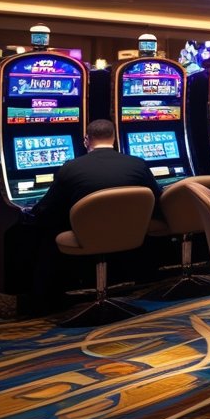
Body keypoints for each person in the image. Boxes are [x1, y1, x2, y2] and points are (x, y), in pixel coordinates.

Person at [25, 119, 162, 309]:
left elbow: (46, 209)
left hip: (87, 236)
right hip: (131, 235)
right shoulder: (137, 164)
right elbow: (158, 199)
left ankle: (44, 301)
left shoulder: (71, 167)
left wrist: (29, 212)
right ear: (114, 138)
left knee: (43, 232)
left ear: (86, 140)